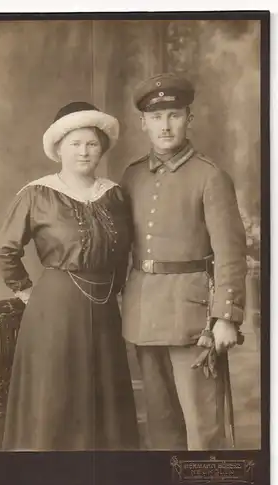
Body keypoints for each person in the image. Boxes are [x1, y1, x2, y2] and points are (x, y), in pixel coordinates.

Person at [0, 101, 139, 451]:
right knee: (56, 393)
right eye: (75, 144)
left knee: (103, 392)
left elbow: (124, 252)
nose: (84, 151)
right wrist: (28, 292)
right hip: (54, 308)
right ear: (58, 149)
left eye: (91, 143)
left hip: (104, 308)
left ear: (102, 148)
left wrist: (115, 289)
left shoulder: (114, 194)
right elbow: (4, 251)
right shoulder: (37, 194)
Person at [121, 73, 247, 451]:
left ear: (189, 118)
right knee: (161, 426)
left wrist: (226, 316)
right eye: (156, 118)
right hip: (143, 313)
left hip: (194, 317)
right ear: (143, 123)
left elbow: (231, 252)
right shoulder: (131, 176)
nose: (165, 125)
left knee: (202, 428)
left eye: (174, 115)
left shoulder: (210, 176)